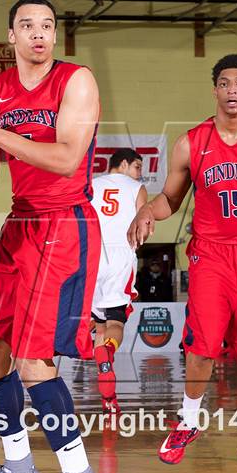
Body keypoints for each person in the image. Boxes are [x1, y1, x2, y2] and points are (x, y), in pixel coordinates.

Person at [0, 0, 107, 473]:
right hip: (21, 222)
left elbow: (65, 159)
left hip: (65, 222)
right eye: (28, 26)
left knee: (35, 362)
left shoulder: (76, 80)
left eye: (48, 26)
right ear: (10, 37)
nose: (39, 34)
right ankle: (19, 466)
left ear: (54, 36)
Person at [128, 53, 237, 465]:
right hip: (212, 254)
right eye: (224, 83)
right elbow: (170, 198)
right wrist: (148, 210)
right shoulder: (192, 142)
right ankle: (188, 420)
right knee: (202, 344)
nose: (232, 90)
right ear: (215, 90)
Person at [90, 148, 147, 415]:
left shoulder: (90, 184)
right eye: (137, 166)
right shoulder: (137, 187)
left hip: (90, 257)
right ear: (123, 164)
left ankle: (109, 397)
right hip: (120, 254)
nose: (140, 172)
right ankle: (108, 351)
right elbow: (143, 223)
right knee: (115, 322)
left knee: (99, 326)